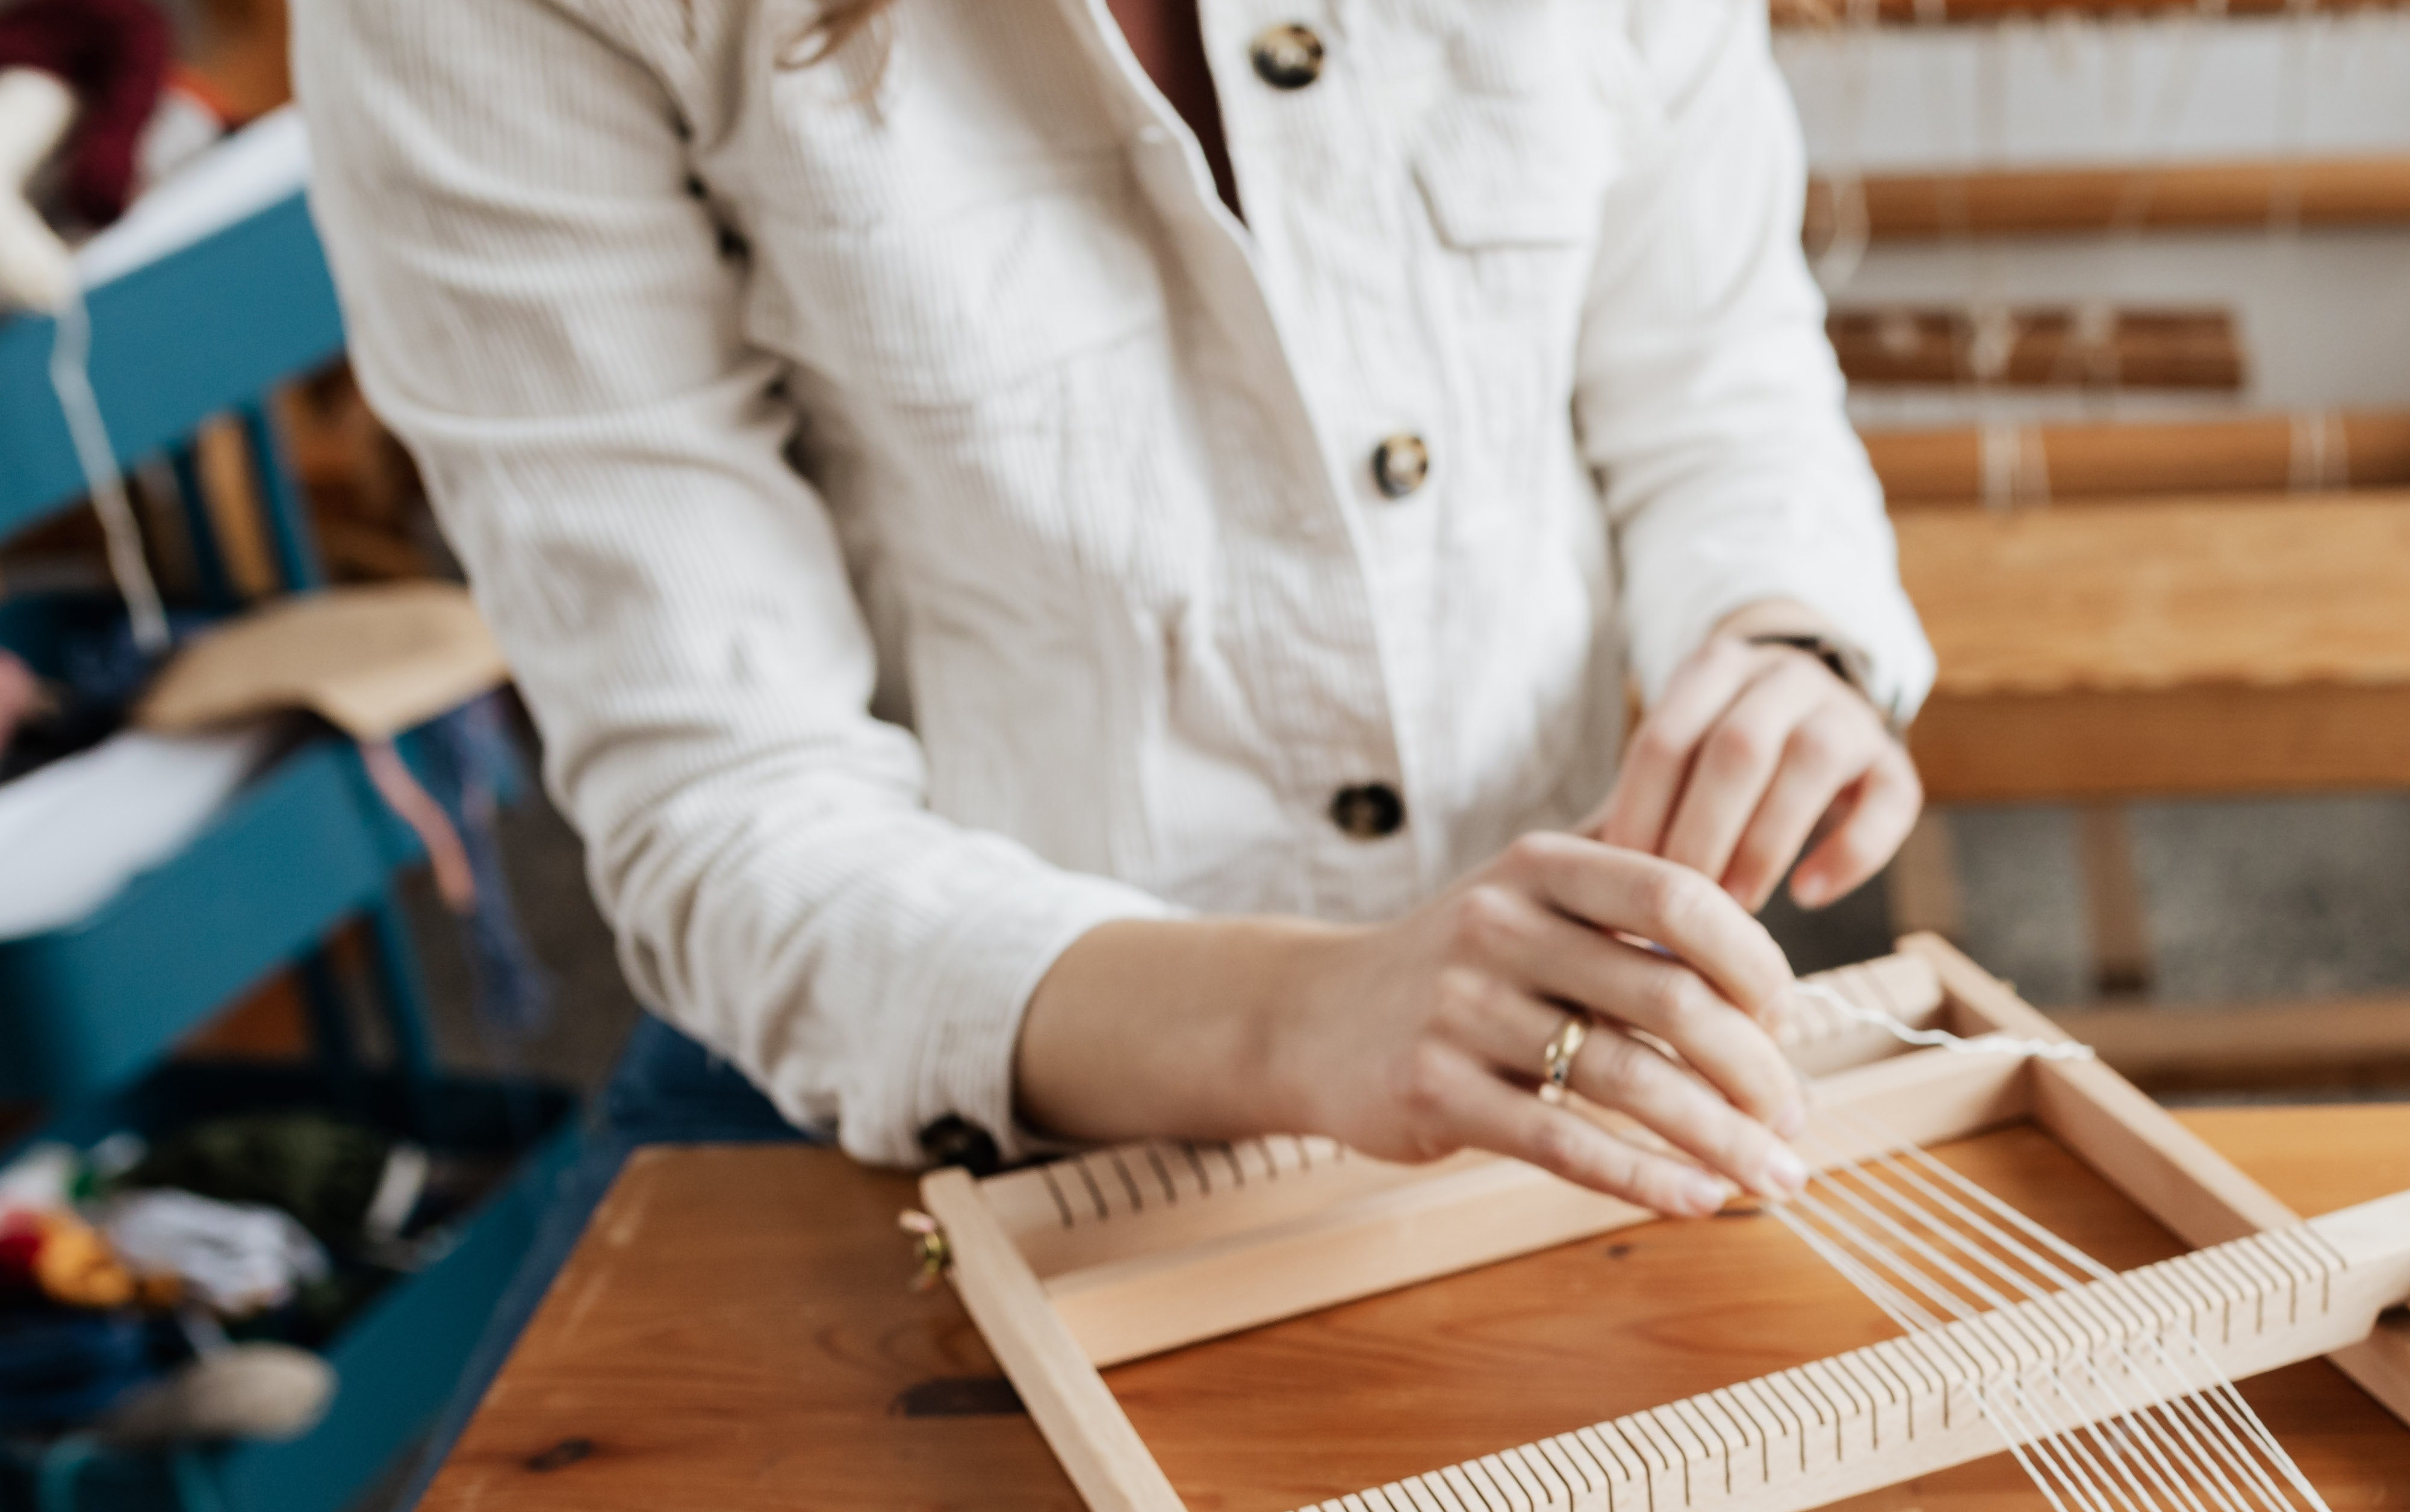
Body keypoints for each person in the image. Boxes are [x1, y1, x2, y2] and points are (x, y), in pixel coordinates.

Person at [293, 0, 1932, 1221]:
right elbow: (729, 805)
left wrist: (1785, 632)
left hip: (1555, 1073)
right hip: (930, 1122)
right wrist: (1309, 1010)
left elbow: (1714, 374)